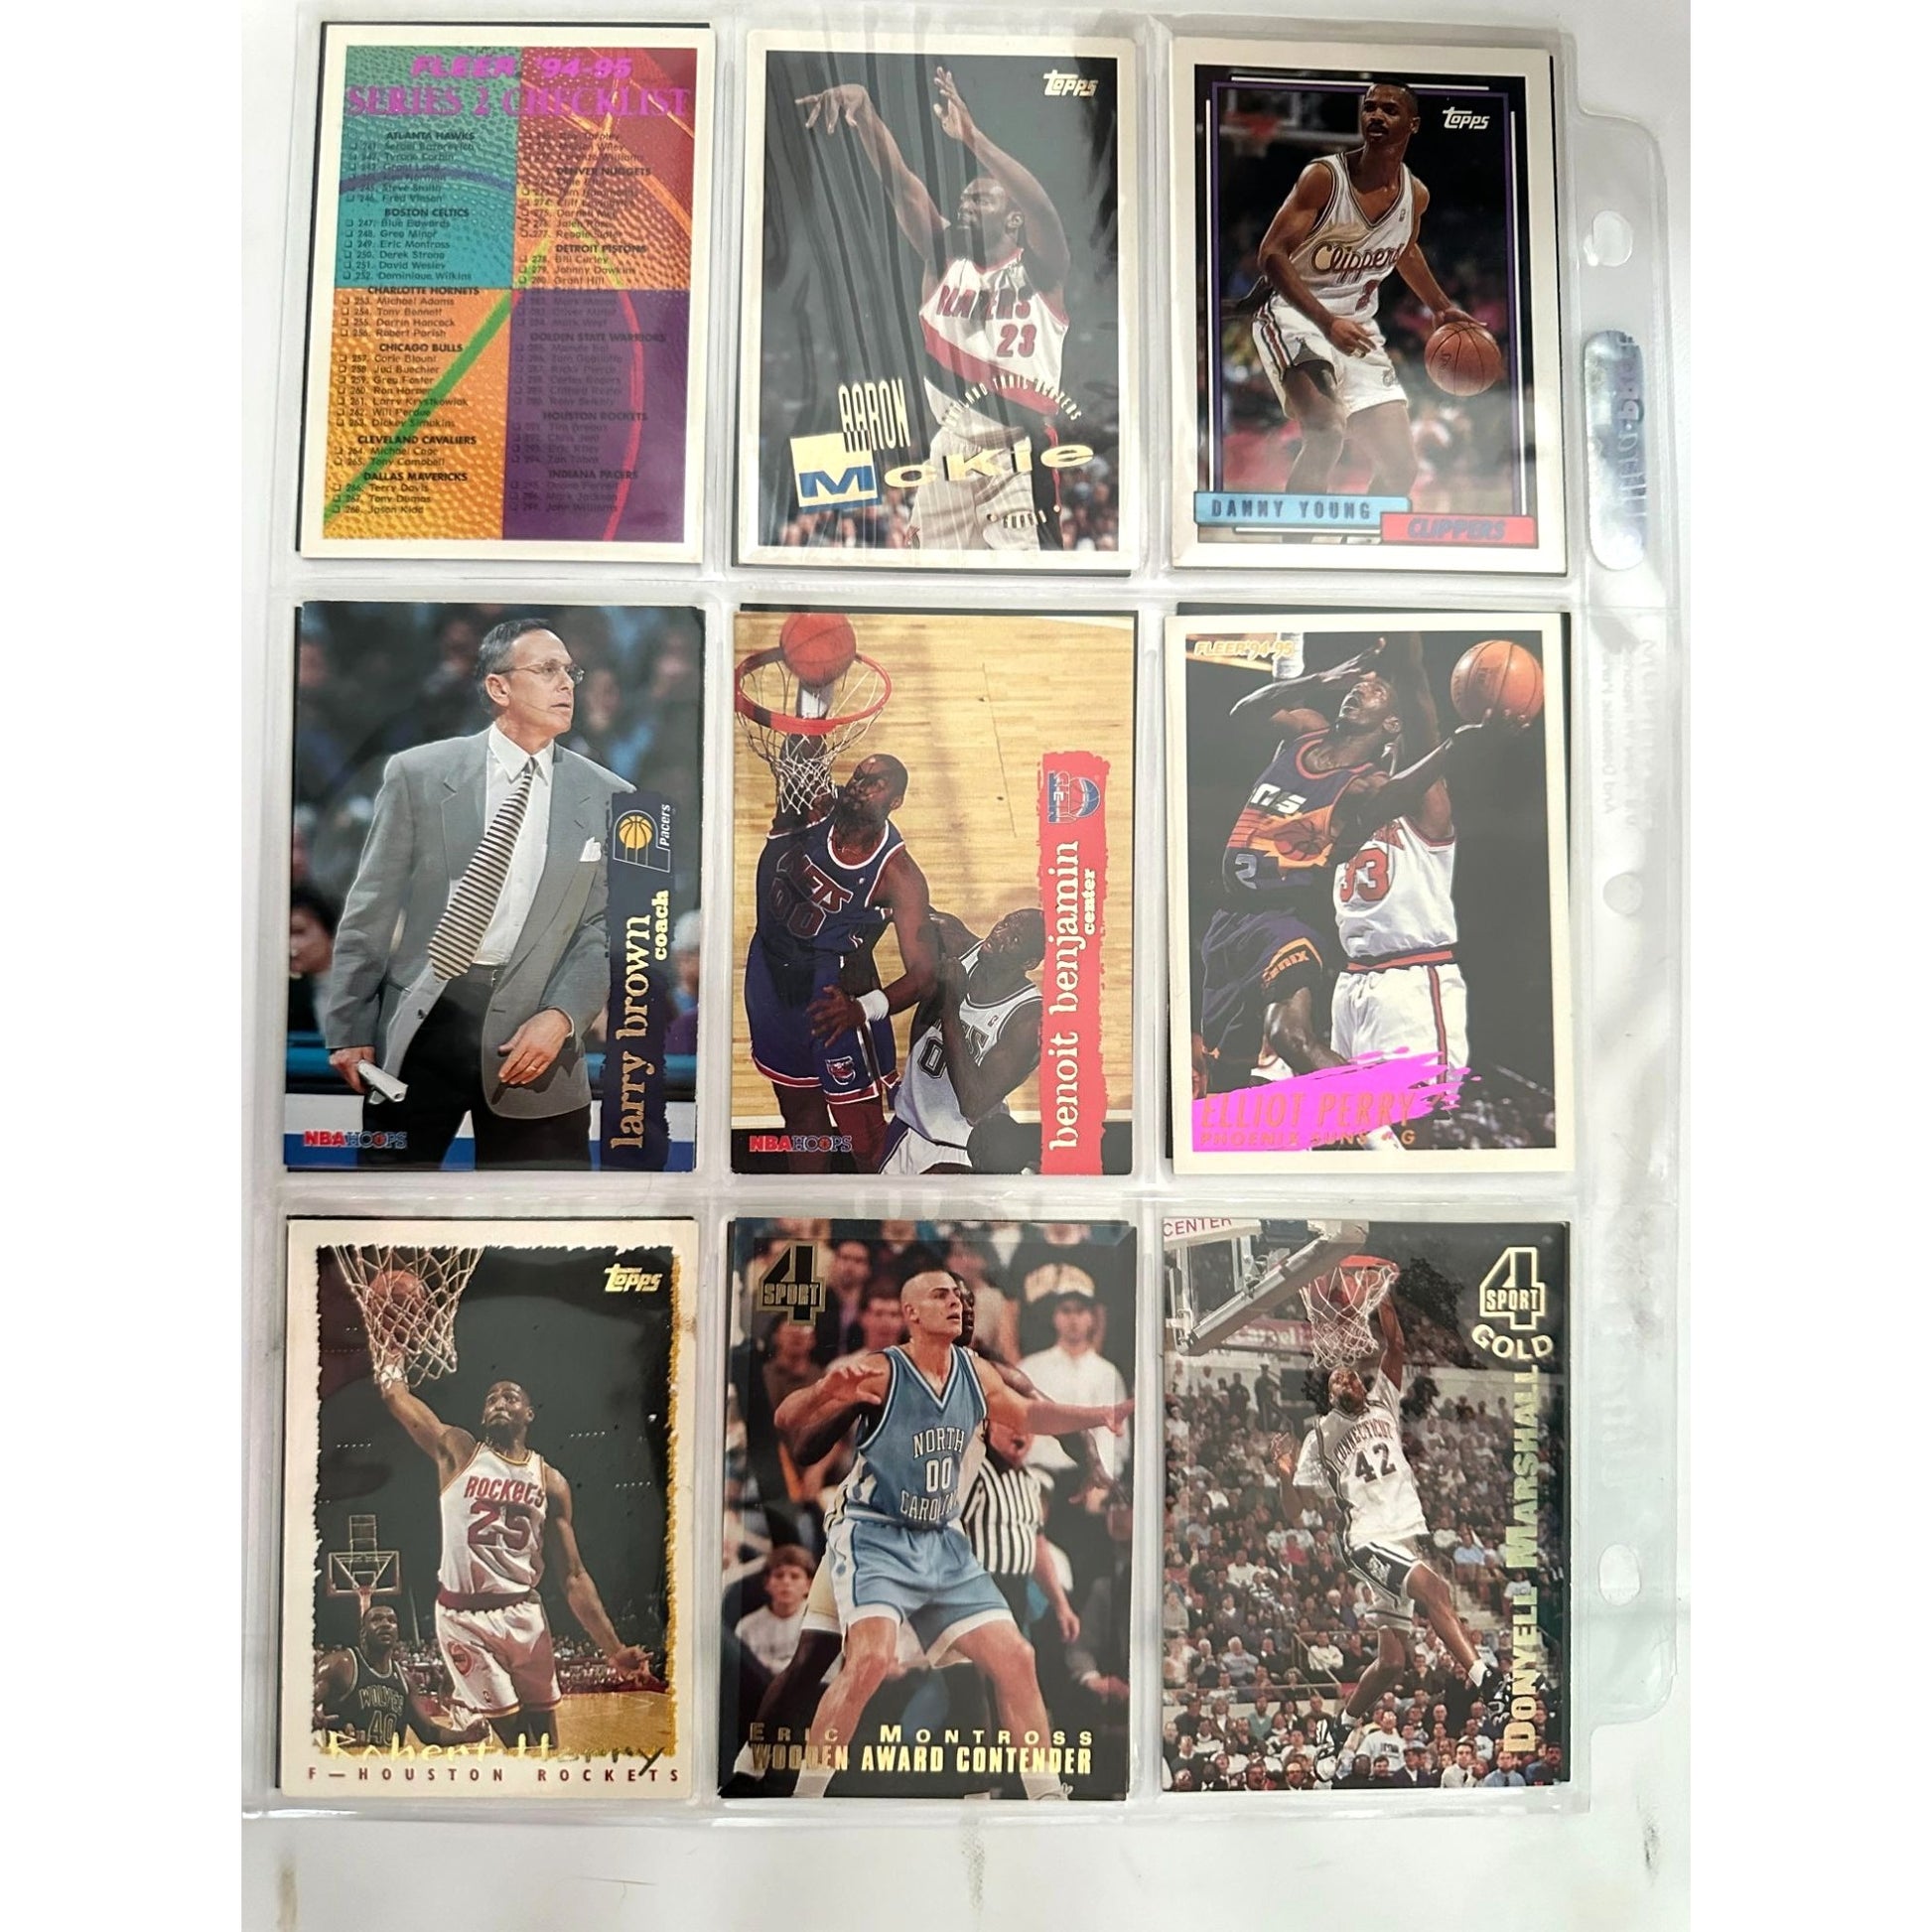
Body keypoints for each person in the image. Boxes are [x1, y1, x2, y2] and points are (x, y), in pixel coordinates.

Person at [773, 1269, 1131, 1799]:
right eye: (941, 1295)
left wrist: (1096, 1417)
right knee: (864, 1660)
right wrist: (827, 1390)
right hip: (875, 1533)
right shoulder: (883, 1369)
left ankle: (1045, 1796)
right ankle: (805, 1798)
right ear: (912, 1314)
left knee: (1017, 1658)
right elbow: (789, 1422)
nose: (956, 1304)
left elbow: (1031, 1411)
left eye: (961, 1297)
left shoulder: (980, 1370)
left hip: (942, 1536)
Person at [323, 617, 630, 1168]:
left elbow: (601, 929)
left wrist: (563, 1016)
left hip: (538, 1028)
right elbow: (371, 907)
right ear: (498, 687)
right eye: (547, 669)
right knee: (387, 1207)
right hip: (425, 1020)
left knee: (542, 1217)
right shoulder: (417, 773)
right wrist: (347, 1026)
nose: (566, 683)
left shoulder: (611, 795)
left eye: (570, 671)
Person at [1195, 636, 1517, 1097]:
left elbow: (1418, 727)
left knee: (1299, 1044)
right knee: (1236, 1083)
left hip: (1380, 960)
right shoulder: (1305, 734)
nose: (1359, 690)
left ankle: (1389, 1128)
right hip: (1332, 970)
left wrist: (1452, 731)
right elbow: (1245, 712)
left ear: (1393, 724)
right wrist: (1324, 677)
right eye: (1358, 686)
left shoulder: (1378, 792)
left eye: (1375, 689)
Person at [795, 66, 1077, 551]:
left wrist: (974, 140)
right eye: (963, 199)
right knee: (925, 573)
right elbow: (900, 184)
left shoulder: (1043, 270)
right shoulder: (944, 258)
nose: (965, 205)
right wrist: (865, 114)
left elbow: (1042, 209)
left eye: (980, 200)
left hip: (1018, 447)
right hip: (950, 447)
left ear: (1013, 220)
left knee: (1027, 581)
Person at [374, 1364, 654, 1745]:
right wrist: (389, 1356)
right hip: (464, 1618)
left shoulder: (550, 1482)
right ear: (482, 1415)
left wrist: (614, 1649)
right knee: (518, 1739)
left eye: (510, 1397)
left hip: (524, 1614)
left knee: (545, 1743)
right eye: (491, 1398)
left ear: (529, 1414)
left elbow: (573, 1576)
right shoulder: (459, 1451)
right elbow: (397, 1398)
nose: (499, 1403)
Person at [1272, 1294, 1500, 1753]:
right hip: (1366, 1538)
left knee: (1393, 1662)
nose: (1346, 1379)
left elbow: (1395, 1344)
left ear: (1362, 1384)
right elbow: (1295, 1512)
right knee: (1436, 1589)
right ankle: (1489, 1683)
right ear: (1330, 1395)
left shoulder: (1383, 1404)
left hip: (1401, 1538)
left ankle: (1339, 1728)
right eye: (1337, 1379)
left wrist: (1383, 1296)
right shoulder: (1320, 1437)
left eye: (1352, 1376)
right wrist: (1283, 1474)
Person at [1242, 82, 1480, 497]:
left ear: (1413, 124)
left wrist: (1440, 306)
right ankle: (1294, 537)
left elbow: (1404, 248)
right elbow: (1272, 254)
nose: (1377, 116)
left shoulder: (1415, 195)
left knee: (1401, 467)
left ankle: (1366, 537)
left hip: (1355, 327)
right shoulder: (1324, 178)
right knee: (1326, 432)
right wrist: (1326, 321)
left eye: (1390, 110)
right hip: (1294, 315)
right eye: (1370, 107)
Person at [744, 752, 935, 1172]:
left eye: (877, 783)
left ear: (896, 802)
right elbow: (799, 750)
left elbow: (925, 975)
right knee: (799, 1117)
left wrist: (863, 1009)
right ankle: (807, 1203)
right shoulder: (811, 810)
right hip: (769, 981)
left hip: (831, 999)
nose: (861, 786)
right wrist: (807, 716)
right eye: (859, 775)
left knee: (864, 1136)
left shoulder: (898, 875)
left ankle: (881, 1205)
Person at [883, 906, 1047, 1173]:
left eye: (1014, 939)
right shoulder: (957, 945)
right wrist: (858, 953)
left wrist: (950, 1008)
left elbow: (974, 1104)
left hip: (963, 1151)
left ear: (1028, 963)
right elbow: (901, 906)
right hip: (906, 1129)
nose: (1000, 934)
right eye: (1006, 922)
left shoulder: (1027, 1020)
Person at [313, 1601, 484, 1749]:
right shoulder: (339, 1665)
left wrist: (464, 1736)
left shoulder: (405, 1681)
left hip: (387, 1769)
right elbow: (302, 1708)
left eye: (392, 1620)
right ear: (363, 1632)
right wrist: (312, 1719)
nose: (385, 1624)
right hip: (346, 1767)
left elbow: (429, 1732)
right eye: (376, 1619)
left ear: (397, 1633)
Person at [735, 1546, 817, 1677]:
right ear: (767, 1583)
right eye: (779, 1575)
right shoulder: (747, 1627)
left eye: (795, 1576)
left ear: (809, 1585)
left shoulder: (818, 1622)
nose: (786, 1582)